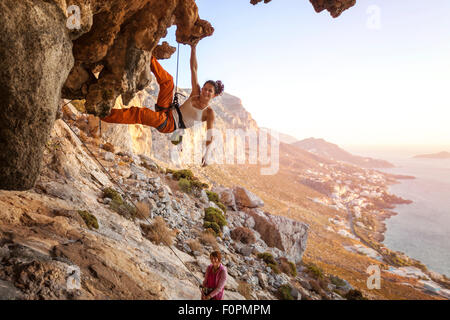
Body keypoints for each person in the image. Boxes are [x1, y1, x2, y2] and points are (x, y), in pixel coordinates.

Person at [101, 42, 224, 166]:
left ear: (214, 95)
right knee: (168, 82)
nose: (206, 92)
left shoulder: (209, 113)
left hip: (169, 124)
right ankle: (147, 56)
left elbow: (210, 135)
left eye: (210, 91)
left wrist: (206, 154)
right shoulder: (195, 93)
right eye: (205, 88)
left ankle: (105, 114)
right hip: (167, 109)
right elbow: (194, 69)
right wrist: (193, 48)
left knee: (140, 113)